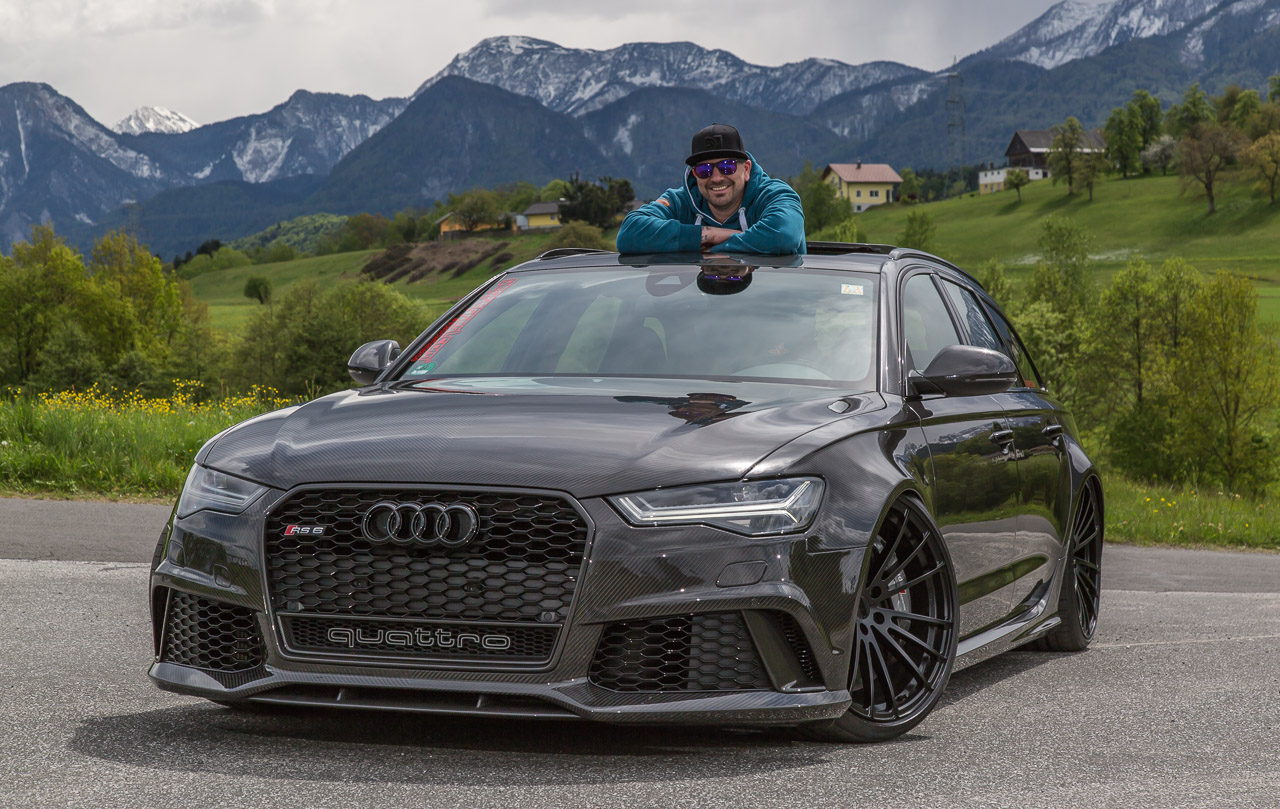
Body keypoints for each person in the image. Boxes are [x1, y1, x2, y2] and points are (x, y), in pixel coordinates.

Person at [616, 123, 806, 255]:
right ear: (694, 174)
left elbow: (783, 235)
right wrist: (710, 234)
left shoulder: (775, 195)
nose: (716, 177)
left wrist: (712, 248)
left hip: (773, 300)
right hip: (699, 300)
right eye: (704, 169)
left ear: (746, 169)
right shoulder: (679, 202)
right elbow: (630, 233)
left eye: (727, 166)